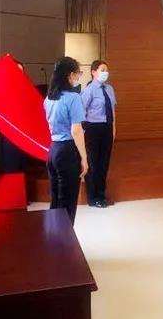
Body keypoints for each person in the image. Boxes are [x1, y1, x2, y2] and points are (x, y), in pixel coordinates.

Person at [44, 56, 89, 224]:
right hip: (68, 150)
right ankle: (65, 239)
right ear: (70, 75)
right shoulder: (73, 98)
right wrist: (84, 158)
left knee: (56, 200)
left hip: (53, 150)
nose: (78, 77)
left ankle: (53, 237)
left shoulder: (49, 99)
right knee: (68, 203)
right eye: (78, 73)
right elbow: (76, 131)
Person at [81, 60, 117, 208]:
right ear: (93, 72)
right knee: (93, 163)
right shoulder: (89, 90)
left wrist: (113, 128)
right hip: (93, 129)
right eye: (102, 70)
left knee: (104, 163)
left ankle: (101, 194)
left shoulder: (109, 89)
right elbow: (81, 111)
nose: (105, 73)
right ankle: (92, 197)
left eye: (106, 70)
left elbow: (112, 110)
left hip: (107, 127)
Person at [1, 57, 27, 173]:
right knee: (11, 171)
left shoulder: (26, 90)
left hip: (25, 136)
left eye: (21, 71)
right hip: (10, 136)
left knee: (23, 170)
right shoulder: (4, 89)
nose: (19, 74)